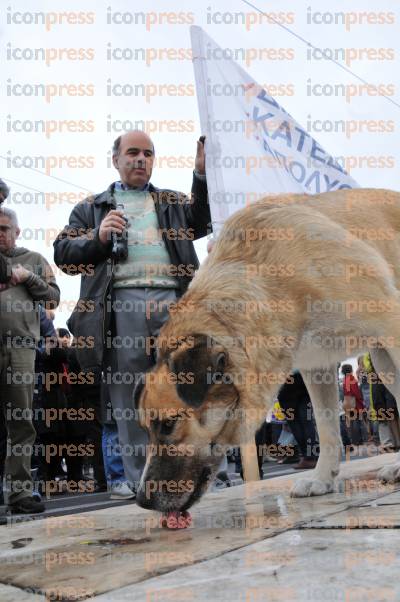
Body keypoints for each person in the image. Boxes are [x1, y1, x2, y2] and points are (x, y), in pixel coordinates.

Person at [54, 130, 210, 493]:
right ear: (116, 159)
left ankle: (196, 473)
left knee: (184, 388)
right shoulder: (91, 207)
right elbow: (63, 252)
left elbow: (202, 220)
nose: (142, 159)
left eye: (149, 154)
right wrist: (98, 237)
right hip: (121, 306)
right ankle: (145, 481)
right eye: (133, 153)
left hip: (174, 302)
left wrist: (200, 175)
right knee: (129, 394)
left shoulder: (171, 202)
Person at [0, 207, 60, 513]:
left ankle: (20, 493)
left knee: (21, 422)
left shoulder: (33, 259)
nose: (0, 233)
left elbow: (53, 299)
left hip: (21, 348)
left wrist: (28, 277)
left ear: (17, 231)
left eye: (4, 228)